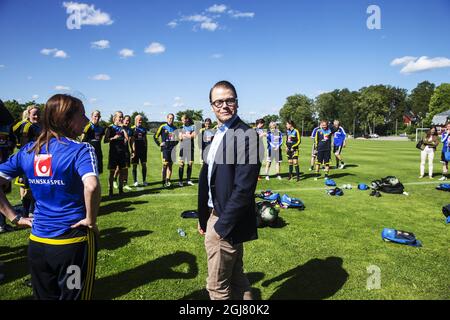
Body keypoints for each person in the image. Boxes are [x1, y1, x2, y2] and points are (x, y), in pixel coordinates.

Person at [0, 94, 100, 300]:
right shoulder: (81, 149)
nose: (87, 120)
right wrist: (91, 219)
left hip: (37, 244)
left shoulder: (28, 150)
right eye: (82, 115)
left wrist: (14, 217)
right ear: (66, 119)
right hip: (71, 244)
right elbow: (91, 186)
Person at [198, 80, 261, 300]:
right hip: (215, 215)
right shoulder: (218, 132)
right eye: (218, 102)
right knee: (237, 279)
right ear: (212, 106)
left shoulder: (247, 135)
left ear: (237, 103)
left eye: (229, 100)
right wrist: (203, 216)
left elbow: (244, 188)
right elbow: (208, 177)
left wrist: (222, 226)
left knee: (217, 288)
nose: (224, 105)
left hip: (226, 220)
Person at [12, 105, 41, 217]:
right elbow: (25, 147)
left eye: (38, 114)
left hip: (38, 160)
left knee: (36, 186)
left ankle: (31, 211)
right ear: (28, 114)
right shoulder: (26, 126)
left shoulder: (39, 126)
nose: (37, 116)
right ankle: (25, 212)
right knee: (28, 189)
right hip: (28, 161)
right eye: (34, 114)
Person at [104, 111, 129, 197]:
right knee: (112, 173)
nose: (121, 118)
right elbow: (105, 140)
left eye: (122, 117)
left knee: (122, 172)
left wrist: (123, 129)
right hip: (113, 153)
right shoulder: (110, 128)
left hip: (122, 153)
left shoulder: (123, 128)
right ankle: (110, 191)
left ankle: (120, 190)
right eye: (120, 117)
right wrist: (113, 138)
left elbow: (127, 138)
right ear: (115, 118)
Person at [0, 99, 16, 233]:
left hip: (3, 163)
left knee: (3, 193)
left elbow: (11, 140)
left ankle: (1, 223)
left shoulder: (6, 123)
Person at [154, 114, 178, 188]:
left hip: (172, 149)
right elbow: (155, 136)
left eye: (172, 118)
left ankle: (168, 180)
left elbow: (177, 139)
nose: (171, 120)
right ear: (167, 119)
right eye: (170, 118)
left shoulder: (175, 128)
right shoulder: (163, 127)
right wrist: (159, 143)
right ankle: (163, 181)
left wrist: (175, 144)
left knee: (170, 165)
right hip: (165, 149)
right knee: (165, 164)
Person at [81, 110, 105, 174]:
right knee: (89, 172)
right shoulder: (87, 127)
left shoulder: (101, 128)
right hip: (89, 153)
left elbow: (99, 140)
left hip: (98, 152)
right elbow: (82, 141)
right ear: (91, 116)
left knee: (98, 172)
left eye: (98, 116)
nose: (97, 118)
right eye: (95, 116)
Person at [130, 115, 148, 187]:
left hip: (143, 150)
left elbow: (145, 139)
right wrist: (132, 150)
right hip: (135, 150)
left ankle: (144, 181)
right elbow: (130, 140)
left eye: (141, 120)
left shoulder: (144, 129)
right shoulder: (132, 129)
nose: (140, 121)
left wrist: (146, 148)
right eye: (139, 120)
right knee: (134, 165)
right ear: (135, 120)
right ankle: (135, 181)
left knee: (144, 165)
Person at [178, 115, 196, 187]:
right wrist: (188, 135)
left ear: (187, 119)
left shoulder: (192, 127)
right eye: (182, 120)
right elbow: (180, 138)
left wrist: (185, 135)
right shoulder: (181, 128)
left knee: (190, 164)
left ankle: (188, 180)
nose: (183, 121)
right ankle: (180, 181)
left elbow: (193, 136)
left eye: (184, 120)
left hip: (190, 147)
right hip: (183, 148)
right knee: (182, 164)